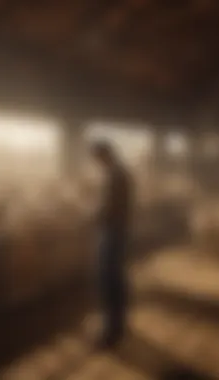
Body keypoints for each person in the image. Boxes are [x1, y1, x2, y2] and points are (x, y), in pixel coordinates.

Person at [91, 140, 133, 349]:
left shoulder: (114, 175)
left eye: (97, 158)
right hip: (119, 230)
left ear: (103, 155)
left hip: (112, 232)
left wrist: (92, 217)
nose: (96, 163)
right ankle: (119, 325)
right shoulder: (121, 172)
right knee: (117, 279)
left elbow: (109, 207)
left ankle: (110, 332)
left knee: (108, 281)